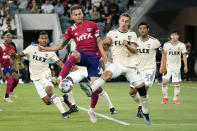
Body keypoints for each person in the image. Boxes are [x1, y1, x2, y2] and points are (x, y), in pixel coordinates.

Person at [39, 4, 107, 123]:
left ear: (82, 14)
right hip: (81, 56)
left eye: (80, 13)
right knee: (74, 54)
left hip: (94, 58)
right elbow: (60, 46)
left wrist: (104, 57)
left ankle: (91, 110)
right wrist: (45, 49)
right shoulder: (71, 30)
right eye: (75, 14)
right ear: (72, 16)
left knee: (95, 88)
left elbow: (99, 42)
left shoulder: (92, 25)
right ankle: (60, 78)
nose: (78, 16)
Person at [81, 13, 151, 125]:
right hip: (117, 64)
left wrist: (127, 45)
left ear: (129, 23)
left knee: (142, 93)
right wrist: (104, 52)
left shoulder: (132, 34)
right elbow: (104, 45)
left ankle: (146, 113)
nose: (124, 23)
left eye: (126, 21)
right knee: (107, 74)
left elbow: (134, 50)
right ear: (119, 21)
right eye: (122, 20)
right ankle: (91, 89)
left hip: (131, 67)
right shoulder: (112, 33)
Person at [12, 31, 70, 119]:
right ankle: (64, 99)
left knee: (49, 91)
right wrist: (14, 54)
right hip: (35, 79)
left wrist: (71, 70)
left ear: (48, 40)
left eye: (45, 38)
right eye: (42, 38)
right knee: (47, 102)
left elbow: (61, 65)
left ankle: (64, 113)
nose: (44, 40)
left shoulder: (51, 52)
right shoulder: (31, 48)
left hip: (45, 75)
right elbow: (18, 56)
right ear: (39, 39)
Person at [130, 22, 162, 118]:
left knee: (145, 88)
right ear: (139, 30)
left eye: (144, 28)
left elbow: (163, 53)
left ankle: (143, 110)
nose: (142, 30)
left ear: (148, 29)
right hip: (137, 69)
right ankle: (140, 106)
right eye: (140, 28)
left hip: (149, 68)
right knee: (132, 93)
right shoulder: (136, 41)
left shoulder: (154, 41)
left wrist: (163, 65)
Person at [160, 30, 188, 104]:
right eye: (173, 35)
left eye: (176, 35)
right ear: (170, 36)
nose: (174, 36)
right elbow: (163, 55)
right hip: (167, 66)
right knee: (164, 82)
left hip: (176, 67)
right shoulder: (166, 44)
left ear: (178, 36)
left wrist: (185, 66)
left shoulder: (182, 45)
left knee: (177, 83)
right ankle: (165, 98)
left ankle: (175, 99)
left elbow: (184, 56)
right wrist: (162, 66)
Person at [0, 33, 19, 103]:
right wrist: (1, 74)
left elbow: (13, 58)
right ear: (5, 38)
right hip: (1, 67)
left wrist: (15, 66)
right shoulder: (1, 47)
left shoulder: (12, 48)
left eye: (11, 37)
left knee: (16, 78)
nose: (9, 39)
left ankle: (11, 91)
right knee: (10, 78)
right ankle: (6, 97)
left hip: (7, 67)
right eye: (8, 37)